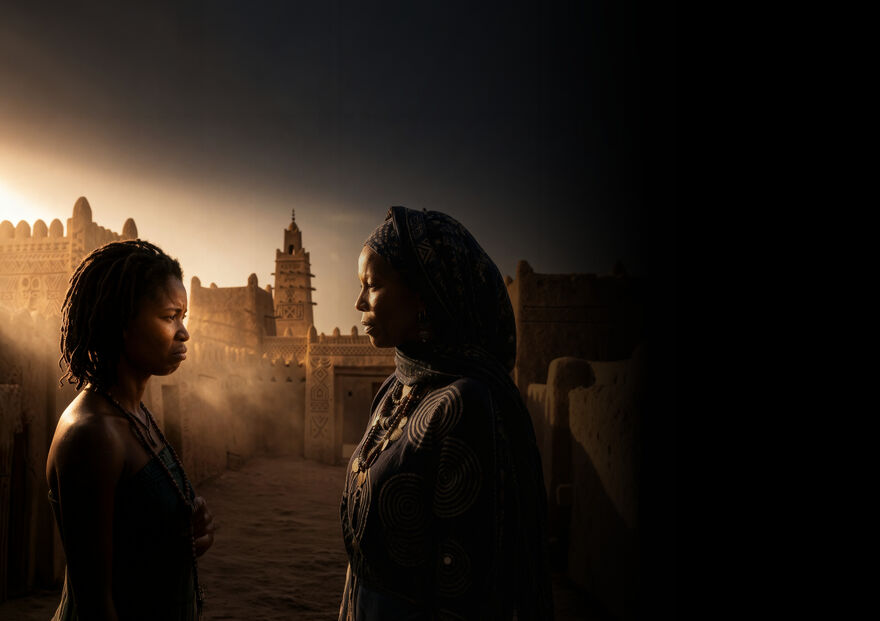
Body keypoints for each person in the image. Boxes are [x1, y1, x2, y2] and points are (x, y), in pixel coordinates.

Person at [339, 207, 554, 620]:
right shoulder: (395, 388)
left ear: (423, 296)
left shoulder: (464, 404)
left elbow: (465, 584)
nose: (358, 302)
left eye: (374, 285)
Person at [46, 240, 215, 620]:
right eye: (170, 316)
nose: (184, 332)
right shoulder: (93, 434)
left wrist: (189, 534)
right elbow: (95, 603)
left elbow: (136, 544)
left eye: (183, 316)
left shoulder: (135, 416)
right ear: (122, 321)